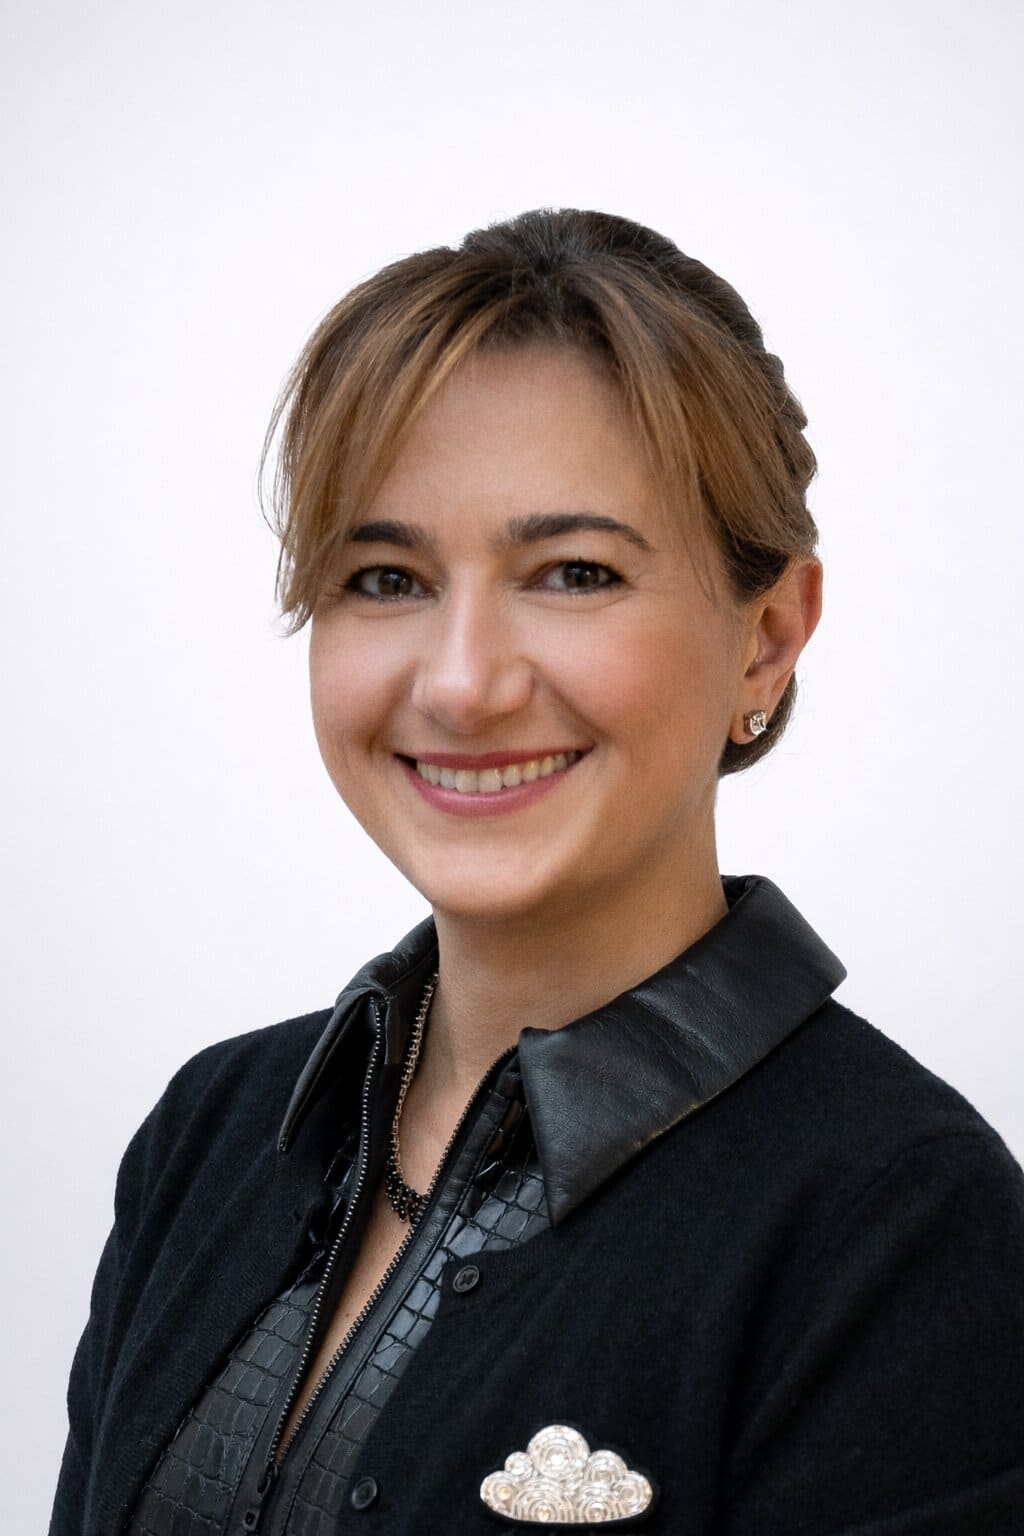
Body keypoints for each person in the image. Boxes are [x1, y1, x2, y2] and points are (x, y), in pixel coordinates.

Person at [51, 209, 1024, 1536]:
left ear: (767, 637)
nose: (462, 683)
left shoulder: (900, 1226)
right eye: (384, 577)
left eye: (573, 572)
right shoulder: (213, 1132)